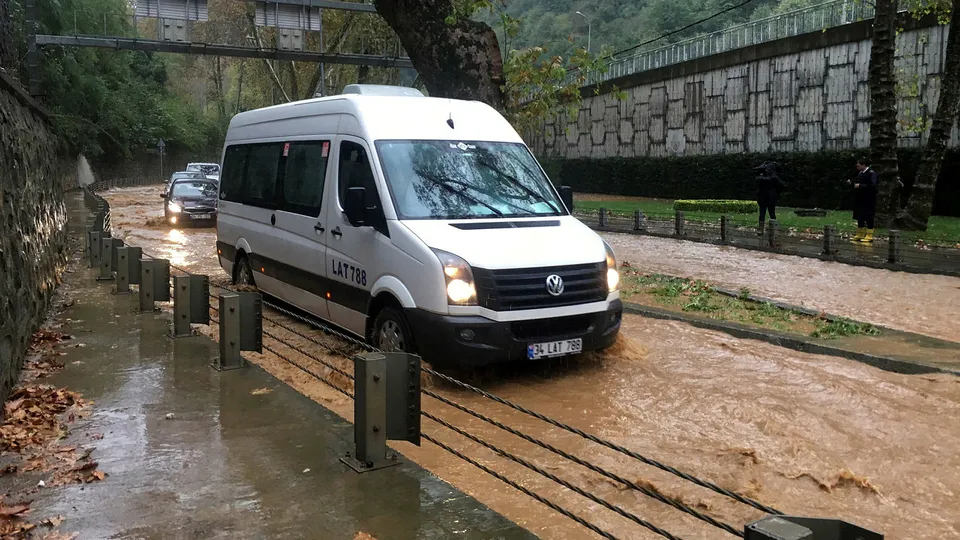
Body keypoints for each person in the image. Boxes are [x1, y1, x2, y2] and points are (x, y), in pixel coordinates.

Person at [850, 158, 878, 243]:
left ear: (864, 165)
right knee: (859, 216)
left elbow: (873, 185)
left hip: (868, 199)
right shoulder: (860, 173)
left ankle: (869, 235)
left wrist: (861, 186)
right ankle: (860, 234)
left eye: (859, 166)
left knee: (868, 216)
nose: (857, 168)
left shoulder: (871, 173)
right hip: (859, 198)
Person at [755, 161, 784, 234]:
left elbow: (778, 183)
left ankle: (773, 229)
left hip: (769, 196)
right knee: (763, 213)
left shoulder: (773, 177)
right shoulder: (763, 175)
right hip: (764, 196)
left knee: (771, 213)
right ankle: (762, 229)